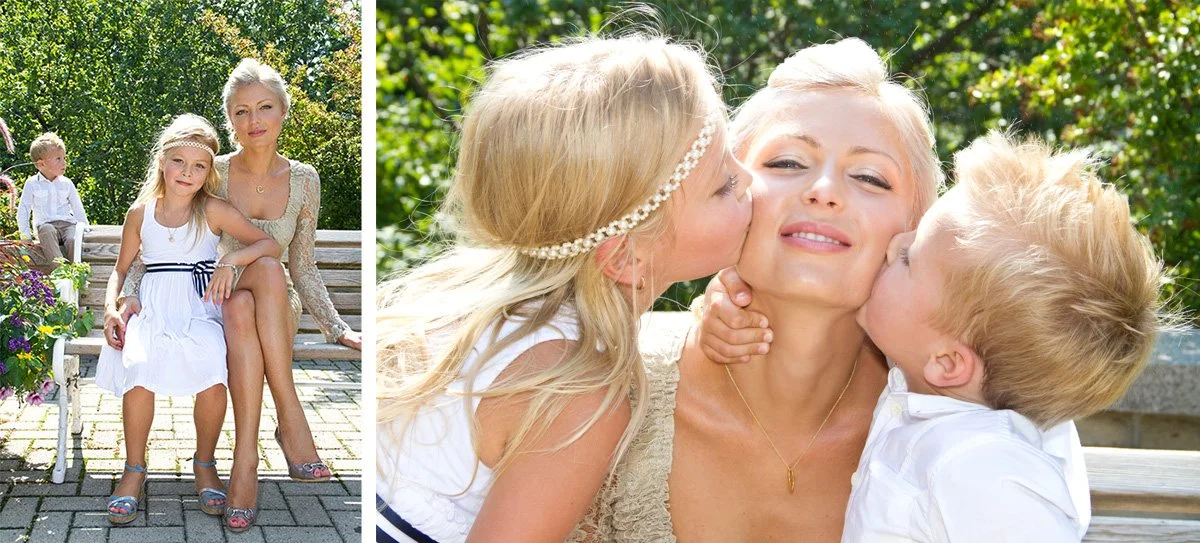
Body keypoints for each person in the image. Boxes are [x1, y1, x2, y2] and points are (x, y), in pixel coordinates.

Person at [375, 33, 752, 543]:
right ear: (626, 256)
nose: (749, 179)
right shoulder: (577, 392)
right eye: (724, 185)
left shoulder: (463, 297)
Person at [571, 38, 944, 541]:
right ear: (726, 189)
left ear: (916, 232)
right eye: (787, 163)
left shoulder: (948, 426)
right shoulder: (602, 393)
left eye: (870, 177)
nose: (824, 191)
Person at [835, 131, 1163, 541]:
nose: (894, 243)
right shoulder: (937, 388)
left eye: (908, 258)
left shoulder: (984, 467)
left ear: (949, 363)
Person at [110, 58, 362, 532]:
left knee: (264, 271)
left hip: (274, 302)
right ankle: (281, 428)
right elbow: (159, 246)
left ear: (284, 112)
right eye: (241, 111)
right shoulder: (212, 171)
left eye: (265, 107)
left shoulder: (304, 179)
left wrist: (336, 327)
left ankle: (247, 458)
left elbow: (301, 265)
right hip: (214, 300)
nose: (254, 120)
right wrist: (128, 295)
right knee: (241, 300)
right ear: (230, 120)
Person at [95, 114, 280, 526]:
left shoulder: (213, 209)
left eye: (198, 166)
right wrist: (110, 307)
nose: (187, 172)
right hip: (154, 306)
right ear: (163, 161)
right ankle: (133, 469)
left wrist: (231, 259)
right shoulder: (140, 213)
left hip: (200, 306)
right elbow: (121, 270)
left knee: (212, 369)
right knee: (139, 369)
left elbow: (268, 244)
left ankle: (205, 464)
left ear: (208, 172)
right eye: (179, 161)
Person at [16, 132, 89, 263]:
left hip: (67, 225)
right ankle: (60, 270)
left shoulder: (67, 183)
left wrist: (86, 228)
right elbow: (23, 210)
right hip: (46, 225)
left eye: (64, 158)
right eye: (58, 159)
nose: (64, 162)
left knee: (74, 238)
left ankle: (77, 269)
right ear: (42, 164)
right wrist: (26, 236)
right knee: (46, 230)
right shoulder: (32, 184)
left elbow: (78, 208)